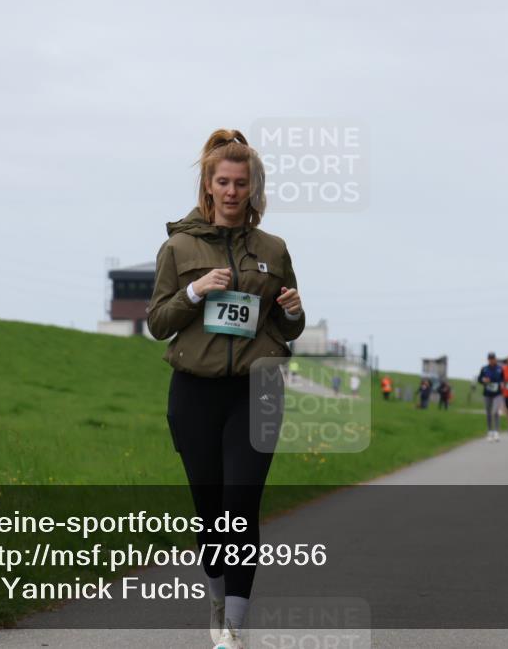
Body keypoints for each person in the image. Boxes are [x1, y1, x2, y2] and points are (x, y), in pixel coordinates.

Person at [147, 129, 306, 649]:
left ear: (254, 189)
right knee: (211, 510)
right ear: (209, 187)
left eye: (242, 183)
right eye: (224, 182)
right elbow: (158, 322)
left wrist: (294, 313)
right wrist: (195, 290)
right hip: (195, 393)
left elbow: (286, 329)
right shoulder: (178, 246)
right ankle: (217, 603)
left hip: (256, 391)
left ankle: (233, 628)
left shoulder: (274, 249)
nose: (233, 191)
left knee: (241, 504)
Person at [478, 352, 505, 442]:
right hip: (487, 393)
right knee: (488, 412)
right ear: (488, 359)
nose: (491, 360)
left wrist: (502, 383)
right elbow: (479, 379)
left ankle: (496, 432)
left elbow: (503, 379)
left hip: (497, 393)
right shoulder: (484, 369)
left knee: (495, 411)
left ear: (495, 359)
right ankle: (490, 431)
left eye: (493, 358)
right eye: (490, 359)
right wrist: (484, 380)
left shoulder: (500, 369)